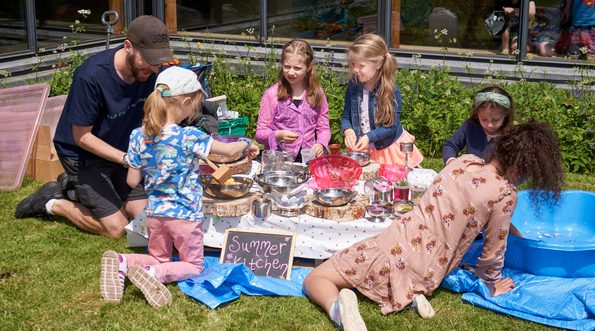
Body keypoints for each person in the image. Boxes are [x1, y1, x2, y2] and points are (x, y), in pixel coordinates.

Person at [303, 120, 564, 330]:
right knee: (364, 275)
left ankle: (338, 309)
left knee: (316, 278)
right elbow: (494, 249)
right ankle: (406, 296)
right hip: (427, 269)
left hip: (396, 241)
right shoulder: (504, 194)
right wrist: (491, 283)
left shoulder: (464, 162)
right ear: (523, 167)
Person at [99, 66, 259, 308]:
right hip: (185, 215)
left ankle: (124, 262)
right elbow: (227, 150)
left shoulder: (137, 136)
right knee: (194, 266)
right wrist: (246, 143)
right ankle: (154, 276)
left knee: (157, 257)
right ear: (185, 102)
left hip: (155, 214)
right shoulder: (189, 136)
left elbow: (132, 181)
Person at [15, 16, 173, 238]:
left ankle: (73, 190)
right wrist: (127, 159)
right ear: (128, 46)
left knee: (144, 219)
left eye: (158, 61)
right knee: (117, 229)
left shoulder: (150, 71)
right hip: (83, 156)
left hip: (121, 151)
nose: (155, 68)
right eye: (149, 60)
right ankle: (52, 201)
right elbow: (82, 137)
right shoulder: (91, 76)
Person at [341, 33, 423, 167]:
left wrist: (369, 137)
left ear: (378, 63)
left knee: (388, 184)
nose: (355, 70)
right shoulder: (353, 85)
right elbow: (346, 116)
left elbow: (391, 126)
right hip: (362, 148)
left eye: (361, 66)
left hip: (387, 148)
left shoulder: (390, 89)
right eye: (353, 64)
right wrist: (348, 130)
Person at [255, 39, 330, 162]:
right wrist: (277, 135)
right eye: (287, 66)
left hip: (308, 158)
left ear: (308, 67)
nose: (291, 72)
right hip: (279, 160)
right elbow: (260, 133)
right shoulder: (272, 94)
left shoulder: (317, 93)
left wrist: (321, 144)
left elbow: (324, 128)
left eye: (297, 68)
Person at [442, 86, 514, 165]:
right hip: (469, 174)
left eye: (495, 120)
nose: (490, 125)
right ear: (477, 114)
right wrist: (451, 162)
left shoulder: (511, 135)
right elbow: (450, 145)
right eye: (484, 119)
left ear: (506, 115)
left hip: (494, 176)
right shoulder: (470, 126)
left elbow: (519, 165)